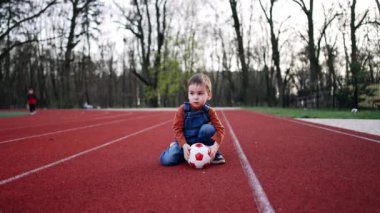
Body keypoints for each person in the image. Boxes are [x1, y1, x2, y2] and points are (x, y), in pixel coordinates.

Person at [160, 73, 225, 166]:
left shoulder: (209, 111)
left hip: (201, 143)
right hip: (185, 142)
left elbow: (220, 129)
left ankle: (212, 152)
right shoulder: (183, 109)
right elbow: (177, 128)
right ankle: (175, 148)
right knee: (167, 160)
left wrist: (215, 147)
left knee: (208, 129)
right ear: (188, 94)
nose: (195, 97)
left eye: (200, 93)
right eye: (192, 93)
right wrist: (183, 144)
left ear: (209, 95)